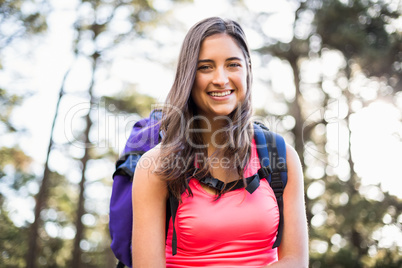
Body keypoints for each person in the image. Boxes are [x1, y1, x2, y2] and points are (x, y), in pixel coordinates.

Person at [132, 17, 308, 267]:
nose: (221, 79)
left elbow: (295, 261)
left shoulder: (281, 157)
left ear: (247, 69)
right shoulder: (156, 166)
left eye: (233, 64)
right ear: (188, 76)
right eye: (205, 67)